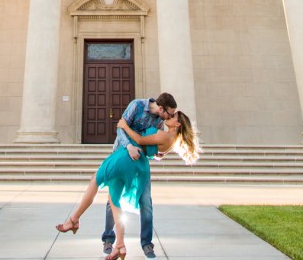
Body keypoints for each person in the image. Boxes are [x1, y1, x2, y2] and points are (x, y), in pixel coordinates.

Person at [54, 104, 199, 260]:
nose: (168, 117)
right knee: (114, 199)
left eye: (172, 117)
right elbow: (154, 151)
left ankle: (73, 220)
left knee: (95, 180)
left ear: (177, 124)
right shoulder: (170, 138)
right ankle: (120, 246)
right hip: (134, 161)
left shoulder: (166, 136)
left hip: (126, 157)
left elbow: (140, 139)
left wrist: (124, 126)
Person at [100, 94, 177, 259]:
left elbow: (149, 141)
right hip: (121, 156)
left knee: (146, 201)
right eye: (169, 114)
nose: (170, 117)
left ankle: (147, 244)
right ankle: (108, 238)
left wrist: (156, 154)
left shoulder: (159, 121)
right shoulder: (136, 106)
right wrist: (128, 147)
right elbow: (121, 127)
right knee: (113, 200)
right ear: (161, 108)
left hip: (141, 161)